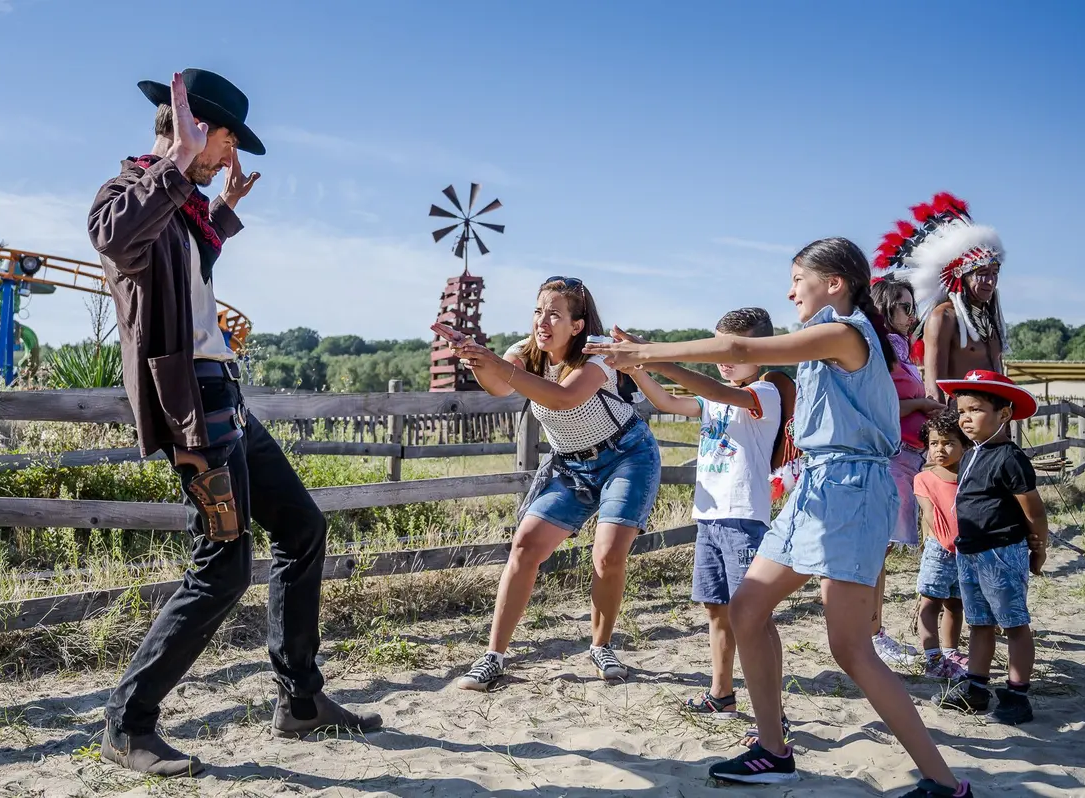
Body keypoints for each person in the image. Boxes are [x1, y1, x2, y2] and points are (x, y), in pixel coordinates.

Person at [585, 238, 970, 797]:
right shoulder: (825, 338)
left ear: (834, 283)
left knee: (850, 648)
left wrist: (645, 352)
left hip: (849, 490)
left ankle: (945, 783)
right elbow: (723, 378)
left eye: (797, 279)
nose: (790, 292)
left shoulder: (844, 332)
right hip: (816, 488)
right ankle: (773, 750)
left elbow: (739, 345)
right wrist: (651, 358)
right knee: (746, 607)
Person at [88, 69, 380, 776]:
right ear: (195, 129)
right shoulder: (128, 191)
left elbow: (186, 270)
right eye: (227, 140)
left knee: (303, 528)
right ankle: (127, 725)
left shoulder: (181, 207)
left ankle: (300, 701)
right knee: (223, 567)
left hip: (225, 397)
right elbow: (114, 240)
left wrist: (220, 208)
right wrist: (180, 164)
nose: (230, 155)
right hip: (193, 408)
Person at [440, 277, 661, 690]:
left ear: (577, 325)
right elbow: (499, 386)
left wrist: (496, 363)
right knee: (525, 544)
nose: (542, 321)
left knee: (608, 554)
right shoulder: (524, 352)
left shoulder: (597, 355)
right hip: (571, 466)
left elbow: (562, 398)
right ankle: (493, 657)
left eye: (555, 314)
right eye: (539, 311)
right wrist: (476, 358)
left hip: (626, 456)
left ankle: (601, 646)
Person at [619, 309, 784, 720]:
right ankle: (721, 693)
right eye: (717, 348)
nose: (723, 359)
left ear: (761, 352)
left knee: (754, 616)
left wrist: (653, 354)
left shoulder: (765, 392)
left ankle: (772, 710)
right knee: (717, 609)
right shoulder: (716, 394)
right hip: (709, 518)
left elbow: (712, 390)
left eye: (733, 350)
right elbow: (667, 401)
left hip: (744, 518)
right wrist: (639, 368)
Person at [931, 371, 1047, 725]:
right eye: (962, 411)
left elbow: (1033, 509)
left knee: (1014, 623)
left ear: (1004, 414)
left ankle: (1017, 695)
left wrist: (1038, 546)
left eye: (976, 410)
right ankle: (977, 688)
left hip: (1001, 552)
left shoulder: (1009, 458)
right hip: (970, 552)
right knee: (979, 622)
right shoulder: (970, 455)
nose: (965, 418)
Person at [869, 278, 947, 665]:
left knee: (878, 550)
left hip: (909, 456)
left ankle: (872, 631)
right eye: (904, 306)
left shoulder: (899, 349)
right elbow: (880, 408)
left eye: (913, 306)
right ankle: (870, 633)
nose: (912, 314)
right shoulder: (881, 353)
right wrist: (920, 404)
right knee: (875, 549)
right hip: (893, 456)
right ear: (884, 308)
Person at [872, 192, 1007, 402]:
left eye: (994, 273)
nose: (990, 281)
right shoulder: (943, 318)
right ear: (960, 274)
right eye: (982, 274)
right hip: (960, 416)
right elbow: (934, 387)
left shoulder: (989, 319)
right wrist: (945, 421)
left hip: (994, 416)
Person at [913, 410, 971, 680]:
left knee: (956, 604)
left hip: (968, 551)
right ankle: (933, 658)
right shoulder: (924, 479)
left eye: (948, 443)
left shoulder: (972, 477)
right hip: (940, 550)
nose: (940, 449)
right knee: (930, 603)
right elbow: (929, 514)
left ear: (964, 444)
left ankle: (950, 651)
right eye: (934, 443)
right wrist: (947, 542)